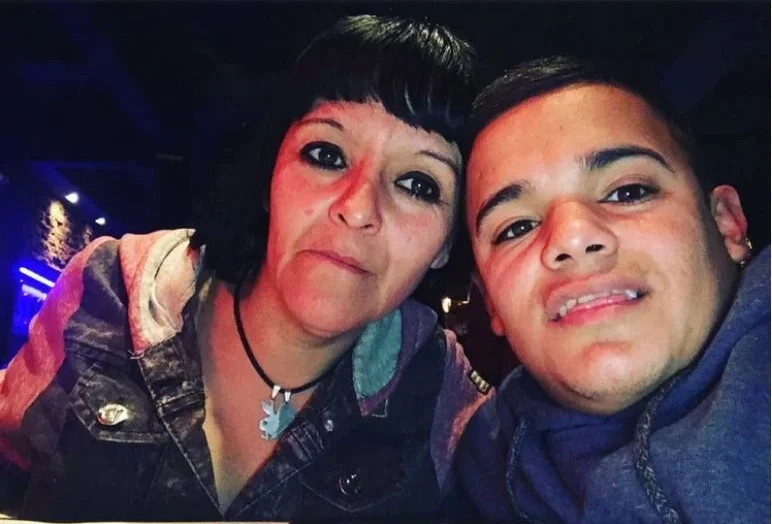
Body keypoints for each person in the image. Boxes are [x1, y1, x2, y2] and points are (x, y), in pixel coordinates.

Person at [0, 15, 489, 521]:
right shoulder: (110, 290)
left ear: (447, 243)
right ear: (269, 178)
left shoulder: (442, 391)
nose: (359, 208)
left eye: (418, 184)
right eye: (326, 154)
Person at [457, 55, 769, 523]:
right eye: (516, 227)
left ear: (726, 222)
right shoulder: (475, 474)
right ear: (491, 305)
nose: (572, 238)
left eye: (628, 192)